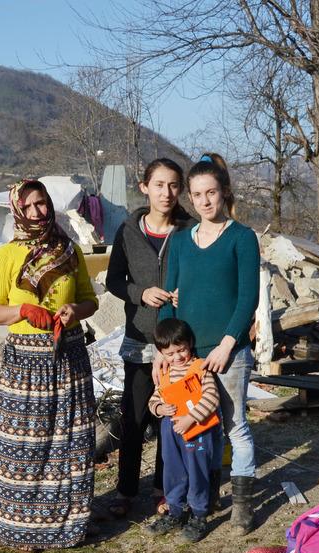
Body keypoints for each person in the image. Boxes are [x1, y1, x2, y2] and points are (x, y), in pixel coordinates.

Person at [0, 179, 99, 552]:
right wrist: (22, 310)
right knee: (23, 445)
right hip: (25, 363)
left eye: (42, 204)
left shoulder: (69, 249)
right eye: (28, 206)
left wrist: (73, 311)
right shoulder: (7, 255)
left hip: (68, 355)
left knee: (70, 441)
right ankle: (21, 530)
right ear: (17, 209)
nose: (36, 212)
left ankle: (68, 527)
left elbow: (89, 301)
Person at [158, 153, 260, 535]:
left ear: (223, 192)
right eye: (197, 194)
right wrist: (163, 352)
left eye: (211, 192)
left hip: (226, 353)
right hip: (187, 351)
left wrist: (227, 344)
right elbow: (170, 296)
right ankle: (201, 496)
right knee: (199, 427)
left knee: (233, 424)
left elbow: (247, 297)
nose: (204, 201)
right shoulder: (181, 241)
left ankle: (243, 506)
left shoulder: (242, 237)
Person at [104, 158, 193, 517]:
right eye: (159, 185)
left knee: (169, 417)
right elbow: (113, 281)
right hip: (140, 336)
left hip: (177, 341)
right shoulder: (127, 230)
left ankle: (162, 487)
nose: (166, 193)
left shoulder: (189, 230)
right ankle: (125, 491)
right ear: (144, 187)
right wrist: (140, 293)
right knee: (134, 416)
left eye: (173, 185)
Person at [146, 318, 220, 542]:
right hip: (171, 433)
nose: (177, 357)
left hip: (196, 430)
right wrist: (160, 407)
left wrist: (190, 419)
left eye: (181, 350)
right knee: (173, 471)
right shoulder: (166, 376)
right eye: (170, 354)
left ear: (190, 344)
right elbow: (153, 400)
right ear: (161, 353)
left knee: (197, 472)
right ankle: (175, 511)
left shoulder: (200, 369)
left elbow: (211, 397)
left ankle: (199, 515)